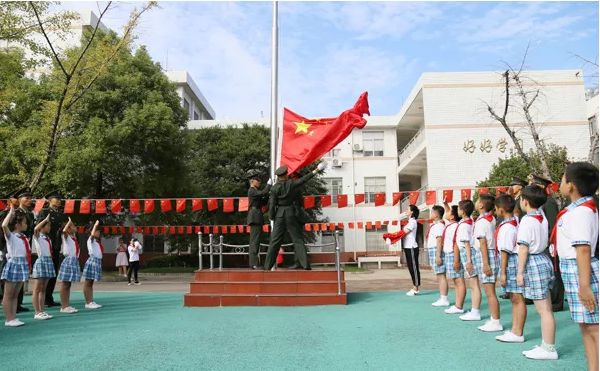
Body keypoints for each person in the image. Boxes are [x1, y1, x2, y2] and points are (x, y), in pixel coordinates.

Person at [554, 162, 599, 370]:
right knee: (586, 326)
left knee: (594, 328)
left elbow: (583, 249)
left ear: (571, 185)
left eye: (563, 179)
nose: (560, 183)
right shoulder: (579, 209)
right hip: (574, 269)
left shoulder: (581, 212)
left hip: (581, 270)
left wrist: (584, 285)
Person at [516, 185, 557, 360]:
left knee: (543, 310)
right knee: (546, 308)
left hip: (533, 262)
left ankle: (548, 348)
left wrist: (519, 272)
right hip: (544, 259)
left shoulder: (527, 220)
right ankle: (546, 344)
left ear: (525, 201)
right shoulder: (542, 216)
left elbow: (523, 248)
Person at [263, 163, 325, 271]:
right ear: (286, 174)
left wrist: (271, 217)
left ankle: (267, 266)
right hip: (291, 213)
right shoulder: (291, 184)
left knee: (275, 241)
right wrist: (316, 170)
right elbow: (304, 179)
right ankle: (305, 265)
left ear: (278, 176)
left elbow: (272, 204)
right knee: (297, 240)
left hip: (280, 214)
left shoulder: (274, 188)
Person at [530, 174, 564, 312]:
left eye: (535, 185)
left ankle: (557, 302)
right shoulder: (541, 203)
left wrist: (549, 240)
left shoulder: (548, 202)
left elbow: (552, 224)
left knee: (555, 272)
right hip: (544, 243)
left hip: (550, 243)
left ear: (542, 187)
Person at [495, 195, 526, 343]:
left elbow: (505, 251)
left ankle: (518, 332)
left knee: (517, 298)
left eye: (496, 209)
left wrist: (503, 273)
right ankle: (515, 329)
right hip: (513, 260)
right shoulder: (513, 222)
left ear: (501, 210)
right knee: (515, 298)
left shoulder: (507, 227)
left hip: (512, 261)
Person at [474, 194, 502, 332]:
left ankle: (496, 321)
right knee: (489, 291)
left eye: (478, 200)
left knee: (490, 292)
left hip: (486, 254)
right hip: (490, 253)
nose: (476, 202)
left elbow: (483, 242)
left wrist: (485, 264)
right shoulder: (489, 219)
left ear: (481, 205)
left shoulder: (482, 222)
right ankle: (493, 319)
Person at [1, 206, 30, 327]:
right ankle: (9, 319)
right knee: (9, 294)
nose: (26, 224)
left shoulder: (24, 238)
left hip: (22, 264)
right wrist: (11, 213)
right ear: (17, 224)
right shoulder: (11, 236)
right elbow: (3, 226)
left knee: (15, 294)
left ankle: (13, 317)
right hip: (13, 264)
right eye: (24, 222)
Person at [36, 190, 66, 308]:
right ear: (49, 200)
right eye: (56, 199)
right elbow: (40, 228)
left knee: (53, 273)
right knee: (45, 275)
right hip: (46, 245)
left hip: (56, 245)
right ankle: (43, 299)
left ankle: (49, 298)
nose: (59, 201)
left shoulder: (60, 214)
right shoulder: (44, 212)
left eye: (59, 199)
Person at [454, 199, 481, 321]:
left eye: (459, 208)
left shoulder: (465, 225)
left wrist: (469, 261)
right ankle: (474, 310)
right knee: (473, 284)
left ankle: (475, 311)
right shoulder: (469, 222)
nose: (457, 211)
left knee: (474, 284)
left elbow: (466, 244)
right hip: (467, 253)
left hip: (468, 253)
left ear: (463, 211)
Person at [443, 204, 467, 315]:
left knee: (459, 280)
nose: (446, 213)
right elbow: (446, 215)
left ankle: (459, 306)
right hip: (449, 254)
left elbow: (456, 244)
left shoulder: (455, 226)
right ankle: (457, 304)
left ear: (452, 216)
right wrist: (446, 204)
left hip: (454, 254)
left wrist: (456, 260)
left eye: (448, 212)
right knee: (455, 281)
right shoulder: (450, 224)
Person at [31, 214, 56, 320]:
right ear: (42, 226)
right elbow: (36, 228)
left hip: (48, 261)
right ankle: (37, 312)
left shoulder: (47, 238)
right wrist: (45, 220)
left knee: (43, 289)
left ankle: (42, 311)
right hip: (41, 261)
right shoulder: (38, 235)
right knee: (37, 289)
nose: (49, 227)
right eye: (48, 225)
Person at [247, 172, 272, 269]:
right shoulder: (252, 190)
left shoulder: (255, 191)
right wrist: (269, 185)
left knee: (256, 241)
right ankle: (253, 263)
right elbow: (263, 193)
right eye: (257, 181)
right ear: (252, 181)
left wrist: (268, 195)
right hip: (255, 216)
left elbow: (263, 201)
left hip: (257, 216)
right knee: (255, 241)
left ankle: (254, 263)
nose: (259, 183)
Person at [15, 187, 34, 313]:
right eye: (26, 198)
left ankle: (18, 303)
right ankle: (13, 303)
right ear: (19, 199)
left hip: (26, 245)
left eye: (30, 198)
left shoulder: (30, 213)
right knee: (14, 277)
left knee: (22, 276)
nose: (29, 200)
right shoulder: (16, 213)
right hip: (15, 246)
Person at [57, 217, 81, 314]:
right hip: (68, 260)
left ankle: (67, 305)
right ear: (69, 228)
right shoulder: (66, 237)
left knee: (68, 285)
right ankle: (64, 306)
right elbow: (63, 231)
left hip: (74, 260)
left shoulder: (73, 237)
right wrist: (69, 222)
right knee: (65, 284)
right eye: (73, 226)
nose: (75, 227)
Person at [0, 189, 20, 302]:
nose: (17, 200)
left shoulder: (19, 213)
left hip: (16, 246)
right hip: (6, 246)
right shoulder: (4, 213)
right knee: (5, 274)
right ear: (9, 201)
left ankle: (16, 302)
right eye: (15, 198)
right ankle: (5, 299)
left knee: (17, 275)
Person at [427, 205, 449, 306]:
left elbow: (439, 240)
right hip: (433, 250)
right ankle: (442, 297)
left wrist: (438, 255)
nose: (430, 214)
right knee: (439, 275)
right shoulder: (436, 225)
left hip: (436, 250)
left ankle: (444, 299)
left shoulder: (439, 226)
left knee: (441, 275)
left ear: (436, 214)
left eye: (432, 212)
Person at [82, 220, 103, 309]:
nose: (98, 233)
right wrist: (95, 225)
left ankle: (90, 301)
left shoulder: (96, 242)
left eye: (99, 231)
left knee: (91, 283)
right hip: (92, 261)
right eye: (97, 231)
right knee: (88, 282)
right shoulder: (90, 240)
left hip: (97, 261)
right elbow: (92, 234)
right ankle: (88, 302)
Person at [403, 205, 421, 296]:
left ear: (412, 212)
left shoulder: (413, 222)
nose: (406, 211)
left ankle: (416, 288)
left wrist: (392, 237)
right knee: (411, 268)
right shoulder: (409, 222)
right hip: (407, 247)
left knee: (414, 268)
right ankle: (414, 286)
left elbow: (403, 233)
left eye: (408, 209)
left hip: (412, 247)